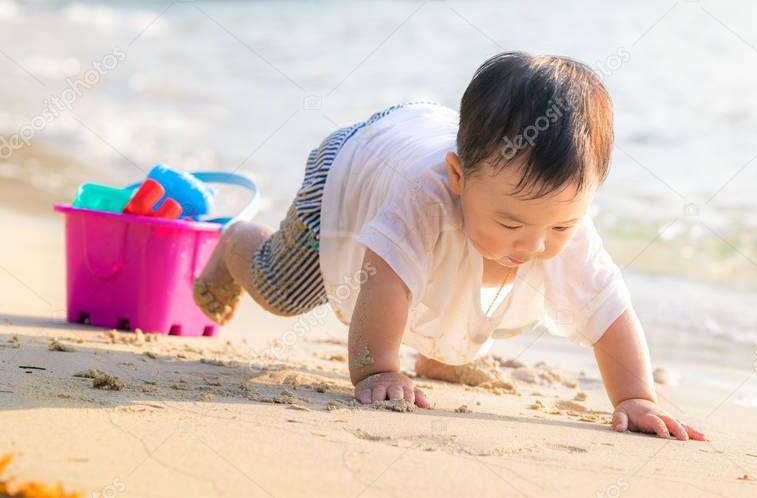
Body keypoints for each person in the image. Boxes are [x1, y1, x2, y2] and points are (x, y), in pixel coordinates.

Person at [194, 51, 706, 441]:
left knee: (510, 268)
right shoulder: (424, 195)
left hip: (430, 148)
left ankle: (438, 353)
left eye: (561, 227)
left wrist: (636, 396)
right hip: (352, 166)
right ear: (457, 176)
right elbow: (384, 280)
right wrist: (378, 369)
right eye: (511, 221)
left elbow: (608, 310)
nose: (533, 244)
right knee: (285, 291)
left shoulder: (552, 224)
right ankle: (236, 242)